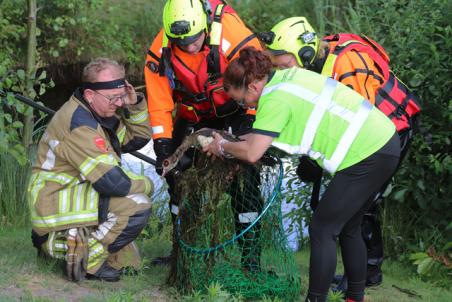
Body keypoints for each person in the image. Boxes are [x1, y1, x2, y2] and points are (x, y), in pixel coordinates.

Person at [203, 47, 400, 302]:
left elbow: (252, 153)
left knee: (322, 228)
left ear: (252, 86)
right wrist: (229, 141)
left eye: (240, 100)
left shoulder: (273, 100)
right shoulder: (285, 78)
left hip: (367, 153)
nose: (245, 106)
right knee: (349, 226)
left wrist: (221, 146)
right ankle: (355, 297)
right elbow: (260, 136)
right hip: (384, 141)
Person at [259, 16, 421, 289]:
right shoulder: (319, 62)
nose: (283, 71)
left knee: (361, 206)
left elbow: (358, 123)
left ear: (305, 52)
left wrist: (314, 162)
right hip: (366, 140)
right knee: (345, 209)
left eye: (284, 63)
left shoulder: (346, 64)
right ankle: (355, 279)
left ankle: (367, 274)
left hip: (391, 132)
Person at [144, 0, 263, 267]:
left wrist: (249, 126)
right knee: (177, 180)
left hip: (237, 112)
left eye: (194, 39)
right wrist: (163, 146)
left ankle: (251, 259)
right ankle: (182, 254)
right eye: (181, 42)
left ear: (205, 24)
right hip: (191, 117)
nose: (189, 46)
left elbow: (260, 82)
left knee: (245, 184)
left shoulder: (231, 33)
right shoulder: (160, 49)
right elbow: (159, 101)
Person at [29, 58, 153, 282]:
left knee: (129, 261)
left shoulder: (99, 114)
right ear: (90, 95)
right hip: (53, 198)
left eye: (121, 96)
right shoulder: (80, 124)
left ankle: (58, 246)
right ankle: (87, 263)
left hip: (74, 191)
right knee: (137, 204)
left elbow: (137, 139)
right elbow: (113, 183)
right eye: (113, 98)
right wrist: (148, 183)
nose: (119, 103)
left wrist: (135, 104)